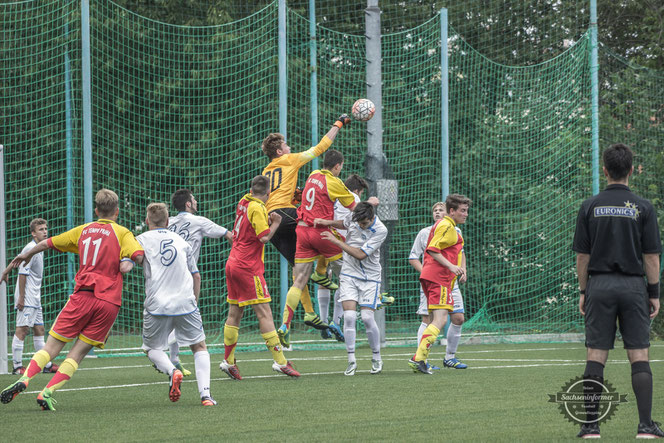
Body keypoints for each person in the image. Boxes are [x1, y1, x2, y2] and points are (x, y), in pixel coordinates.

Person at [0, 189, 144, 411]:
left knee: (51, 346)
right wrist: (129, 262)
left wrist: (26, 255)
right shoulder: (123, 233)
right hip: (108, 303)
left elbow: (47, 243)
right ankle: (47, 392)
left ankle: (25, 378)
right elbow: (137, 256)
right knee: (77, 353)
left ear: (96, 210)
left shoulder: (84, 230)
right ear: (117, 211)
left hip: (82, 296)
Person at [572, 143, 662, 439]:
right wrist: (654, 292)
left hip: (599, 286)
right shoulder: (644, 207)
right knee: (639, 355)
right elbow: (651, 257)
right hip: (633, 286)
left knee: (596, 355)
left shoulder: (589, 206)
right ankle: (646, 426)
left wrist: (584, 291)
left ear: (605, 170)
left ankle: (590, 426)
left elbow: (582, 257)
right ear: (632, 171)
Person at [261, 113, 351, 339]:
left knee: (298, 272)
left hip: (270, 221)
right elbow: (321, 147)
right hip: (286, 214)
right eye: (286, 145)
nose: (289, 147)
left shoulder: (266, 171)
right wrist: (338, 124)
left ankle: (307, 314)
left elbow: (272, 195)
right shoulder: (290, 160)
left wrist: (294, 196)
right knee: (317, 231)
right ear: (280, 151)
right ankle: (322, 274)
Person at [220, 175, 300, 379]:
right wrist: (276, 223)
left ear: (250, 188)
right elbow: (264, 236)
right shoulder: (257, 208)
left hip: (233, 263)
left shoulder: (244, 201)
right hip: (248, 266)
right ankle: (280, 362)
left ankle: (228, 362)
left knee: (235, 313)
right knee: (264, 313)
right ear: (268, 193)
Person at [136, 202, 216, 406]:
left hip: (157, 304)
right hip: (185, 303)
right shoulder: (182, 242)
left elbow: (129, 262)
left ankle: (173, 371)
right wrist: (194, 303)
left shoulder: (140, 240)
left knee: (151, 349)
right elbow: (196, 277)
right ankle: (206, 396)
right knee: (199, 346)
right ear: (168, 221)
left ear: (147, 221)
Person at [277, 149, 357, 347]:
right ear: (338, 166)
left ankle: (285, 325)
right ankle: (370, 300)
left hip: (302, 232)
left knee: (299, 281)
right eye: (341, 167)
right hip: (320, 231)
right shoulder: (335, 182)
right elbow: (354, 206)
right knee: (348, 269)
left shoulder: (313, 174)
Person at [164, 189, 232, 376]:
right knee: (187, 314)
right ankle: (170, 344)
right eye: (193, 200)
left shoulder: (168, 221)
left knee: (171, 312)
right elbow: (227, 234)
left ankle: (174, 359)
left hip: (165, 275)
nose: (196, 202)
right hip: (186, 275)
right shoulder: (199, 221)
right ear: (188, 204)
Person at [315, 202, 387, 375]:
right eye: (359, 222)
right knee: (348, 316)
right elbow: (344, 223)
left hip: (370, 278)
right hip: (348, 274)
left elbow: (361, 255)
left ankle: (376, 358)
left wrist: (335, 241)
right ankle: (351, 360)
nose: (360, 225)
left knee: (368, 317)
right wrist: (327, 223)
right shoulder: (355, 217)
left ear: (371, 218)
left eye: (364, 223)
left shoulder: (380, 230)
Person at [408, 194, 470, 375]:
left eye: (467, 211)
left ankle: (421, 358)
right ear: (452, 211)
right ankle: (419, 359)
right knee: (440, 320)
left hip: (437, 278)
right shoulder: (446, 226)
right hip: (438, 278)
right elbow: (432, 249)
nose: (466, 214)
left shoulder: (450, 227)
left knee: (441, 319)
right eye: (463, 211)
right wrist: (451, 266)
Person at [317, 174, 378, 341]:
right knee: (345, 281)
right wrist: (370, 203)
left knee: (325, 280)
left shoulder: (333, 196)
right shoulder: (352, 197)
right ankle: (335, 322)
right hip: (342, 243)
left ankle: (323, 321)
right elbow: (355, 214)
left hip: (325, 238)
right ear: (357, 190)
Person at [6, 218, 58, 375]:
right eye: (41, 229)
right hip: (27, 298)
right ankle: (17, 367)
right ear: (33, 233)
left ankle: (45, 365)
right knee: (22, 330)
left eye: (46, 228)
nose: (45, 231)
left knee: (40, 329)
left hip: (35, 298)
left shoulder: (37, 248)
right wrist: (21, 297)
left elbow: (16, 261)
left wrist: (5, 271)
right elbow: (22, 273)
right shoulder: (31, 248)